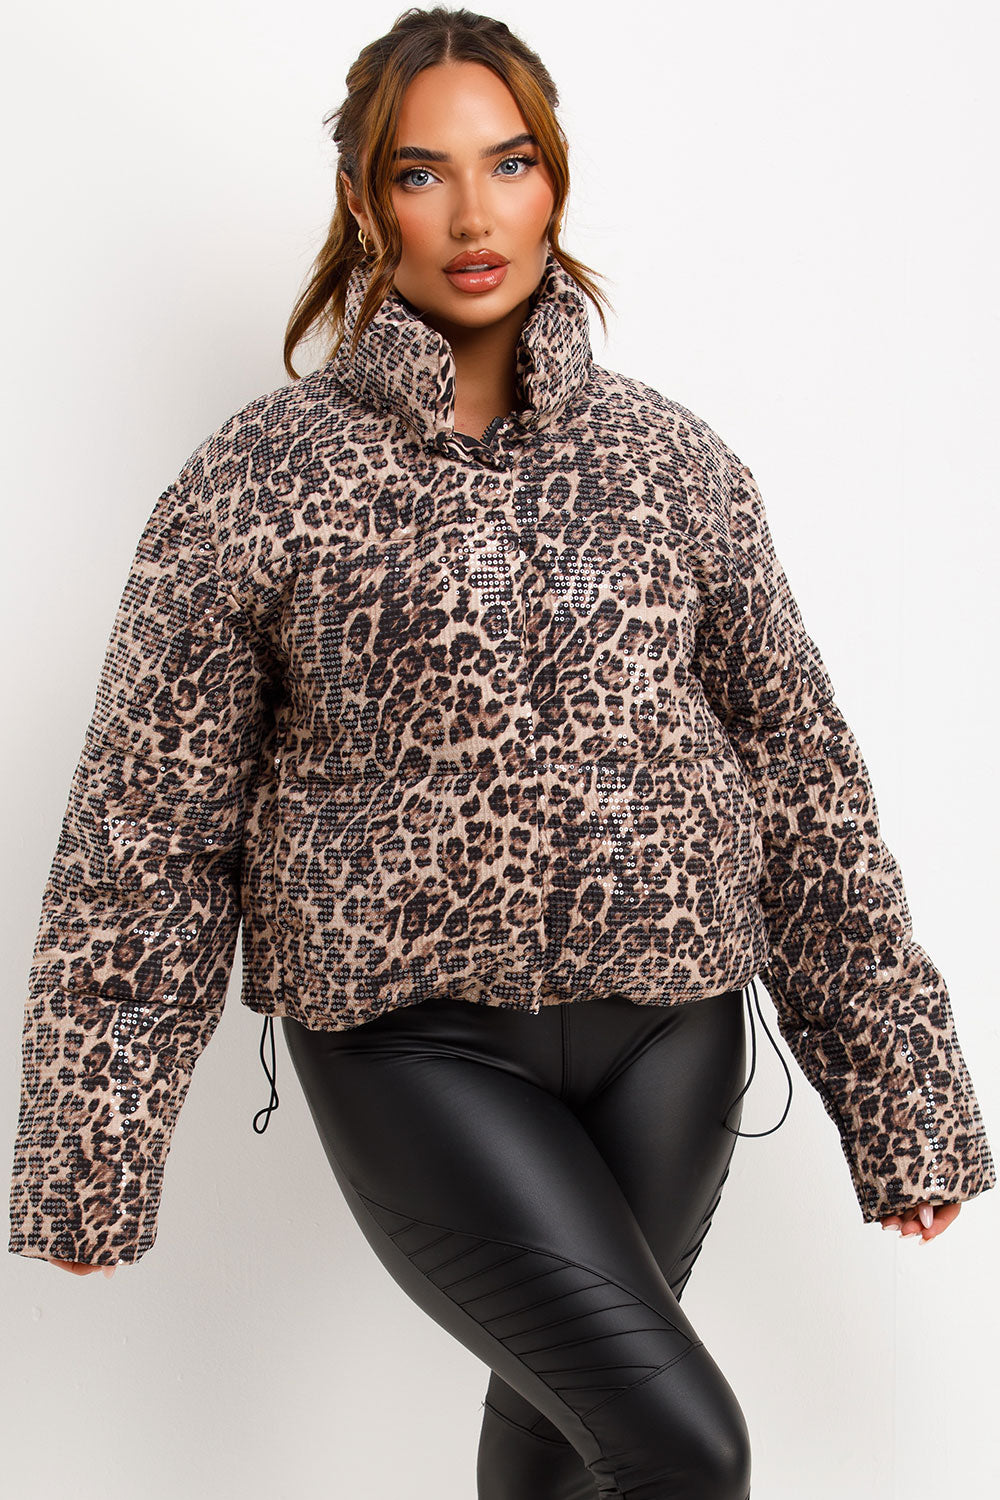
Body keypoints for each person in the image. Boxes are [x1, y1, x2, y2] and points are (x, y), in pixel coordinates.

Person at [9, 7, 994, 1498]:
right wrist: (95, 1144)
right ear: (366, 203)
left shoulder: (672, 461)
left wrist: (898, 1091)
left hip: (675, 1028)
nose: (474, 215)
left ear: (555, 183)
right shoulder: (259, 478)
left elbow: (800, 775)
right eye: (423, 173)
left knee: (561, 1448)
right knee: (685, 1444)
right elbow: (147, 823)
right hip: (413, 1045)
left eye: (509, 164)